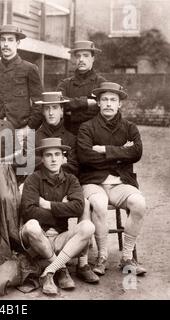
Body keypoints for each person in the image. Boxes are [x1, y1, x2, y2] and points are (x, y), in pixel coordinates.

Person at [77, 82, 147, 276]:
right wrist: (121, 154)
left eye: (113, 100)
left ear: (120, 104)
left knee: (139, 203)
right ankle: (102, 256)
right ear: (98, 103)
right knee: (98, 204)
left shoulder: (129, 127)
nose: (108, 103)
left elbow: (137, 152)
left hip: (121, 182)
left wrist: (105, 150)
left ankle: (126, 257)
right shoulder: (87, 127)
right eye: (104, 100)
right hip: (93, 181)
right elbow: (84, 156)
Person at [20, 138, 96, 296]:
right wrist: (62, 212)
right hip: (36, 239)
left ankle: (50, 271)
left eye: (57, 154)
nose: (53, 159)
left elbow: (78, 207)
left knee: (88, 226)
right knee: (32, 225)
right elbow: (28, 211)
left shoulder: (71, 180)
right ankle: (61, 268)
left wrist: (47, 205)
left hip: (60, 237)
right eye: (48, 155)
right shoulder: (33, 179)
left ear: (64, 158)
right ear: (42, 158)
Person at [0, 24, 43, 146]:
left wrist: (29, 128)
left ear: (18, 43)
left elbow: (39, 103)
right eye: (3, 40)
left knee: (20, 164)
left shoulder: (29, 69)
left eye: (10, 40)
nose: (6, 44)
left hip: (21, 132)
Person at [57, 40, 106, 135]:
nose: (81, 59)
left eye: (85, 55)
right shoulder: (65, 84)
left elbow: (101, 110)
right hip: (69, 136)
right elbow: (59, 103)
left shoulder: (101, 83)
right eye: (78, 56)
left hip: (94, 137)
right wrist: (85, 102)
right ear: (74, 59)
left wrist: (72, 114)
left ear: (93, 58)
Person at [34, 92, 78, 175]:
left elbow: (74, 167)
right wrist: (59, 161)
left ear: (61, 111)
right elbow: (25, 164)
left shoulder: (71, 139)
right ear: (43, 112)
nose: (51, 113)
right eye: (47, 108)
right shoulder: (33, 138)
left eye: (54, 108)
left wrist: (41, 161)